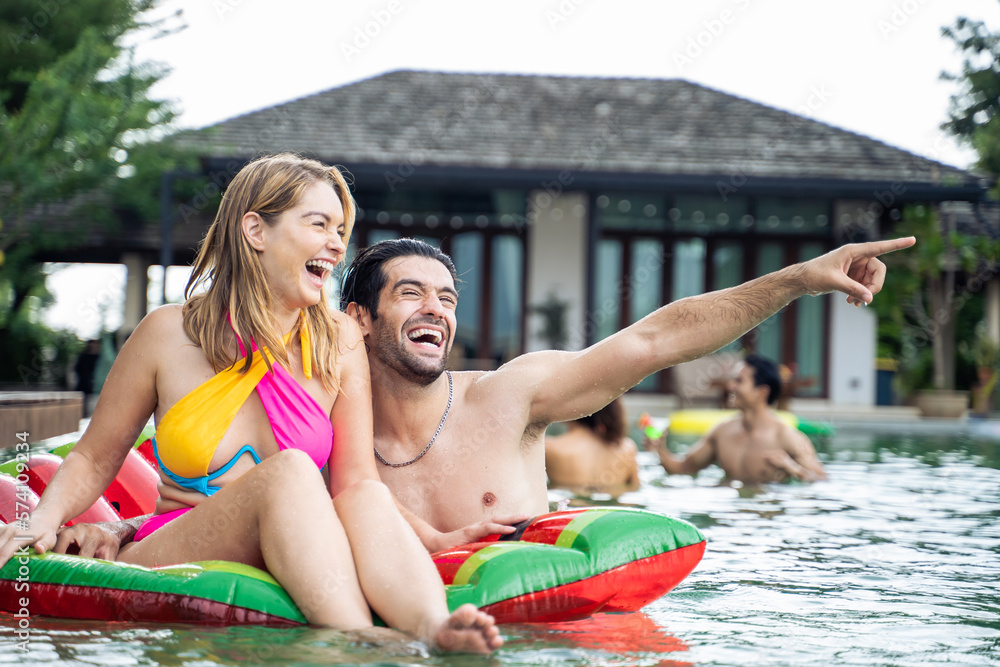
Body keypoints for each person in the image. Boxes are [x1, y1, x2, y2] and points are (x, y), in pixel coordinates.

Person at [57, 233, 913, 556]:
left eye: (449, 297)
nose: (438, 308)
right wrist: (124, 530)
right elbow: (220, 502)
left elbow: (656, 338)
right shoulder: (315, 441)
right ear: (354, 315)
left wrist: (799, 279)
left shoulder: (512, 397)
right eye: (412, 293)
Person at [0, 155, 500, 653]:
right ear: (256, 230)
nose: (336, 242)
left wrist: (431, 540)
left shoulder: (340, 341)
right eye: (319, 223)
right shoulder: (168, 334)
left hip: (297, 543)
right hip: (179, 539)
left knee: (359, 491)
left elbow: (356, 485)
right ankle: (358, 643)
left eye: (341, 228)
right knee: (289, 472)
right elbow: (93, 456)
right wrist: (42, 519)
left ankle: (434, 627)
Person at [654, 354, 829, 485]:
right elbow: (684, 468)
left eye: (739, 381)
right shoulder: (721, 431)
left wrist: (792, 467)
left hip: (768, 521)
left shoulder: (787, 437)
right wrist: (660, 450)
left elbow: (821, 480)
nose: (731, 386)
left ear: (762, 392)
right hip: (728, 519)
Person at [544, 397, 639, 494]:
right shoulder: (627, 448)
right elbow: (635, 491)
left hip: (569, 505)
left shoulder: (548, 448)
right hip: (613, 508)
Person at [73, 339, 101, 416]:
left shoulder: (98, 358)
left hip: (94, 387)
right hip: (84, 385)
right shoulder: (84, 357)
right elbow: (77, 369)